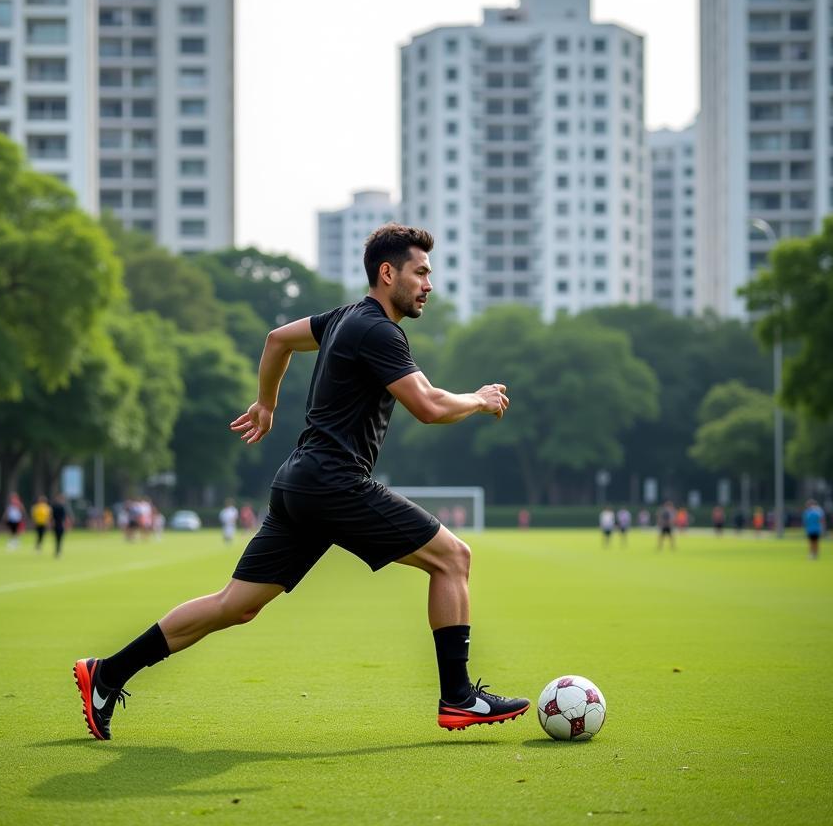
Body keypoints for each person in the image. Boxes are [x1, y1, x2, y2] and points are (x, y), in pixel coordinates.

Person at [73, 223, 529, 740]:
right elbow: (427, 405)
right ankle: (459, 699)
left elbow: (277, 340)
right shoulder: (379, 330)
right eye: (420, 272)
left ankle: (106, 674)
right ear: (388, 273)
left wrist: (266, 403)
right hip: (334, 484)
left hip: (300, 484)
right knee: (454, 559)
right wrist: (480, 398)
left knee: (235, 605)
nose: (429, 283)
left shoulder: (341, 320)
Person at [51, 493, 72, 558]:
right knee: (59, 539)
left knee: (57, 539)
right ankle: (58, 551)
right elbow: (65, 518)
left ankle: (57, 551)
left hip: (56, 524)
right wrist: (67, 525)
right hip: (59, 524)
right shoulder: (62, 507)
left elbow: (51, 517)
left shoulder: (54, 506)